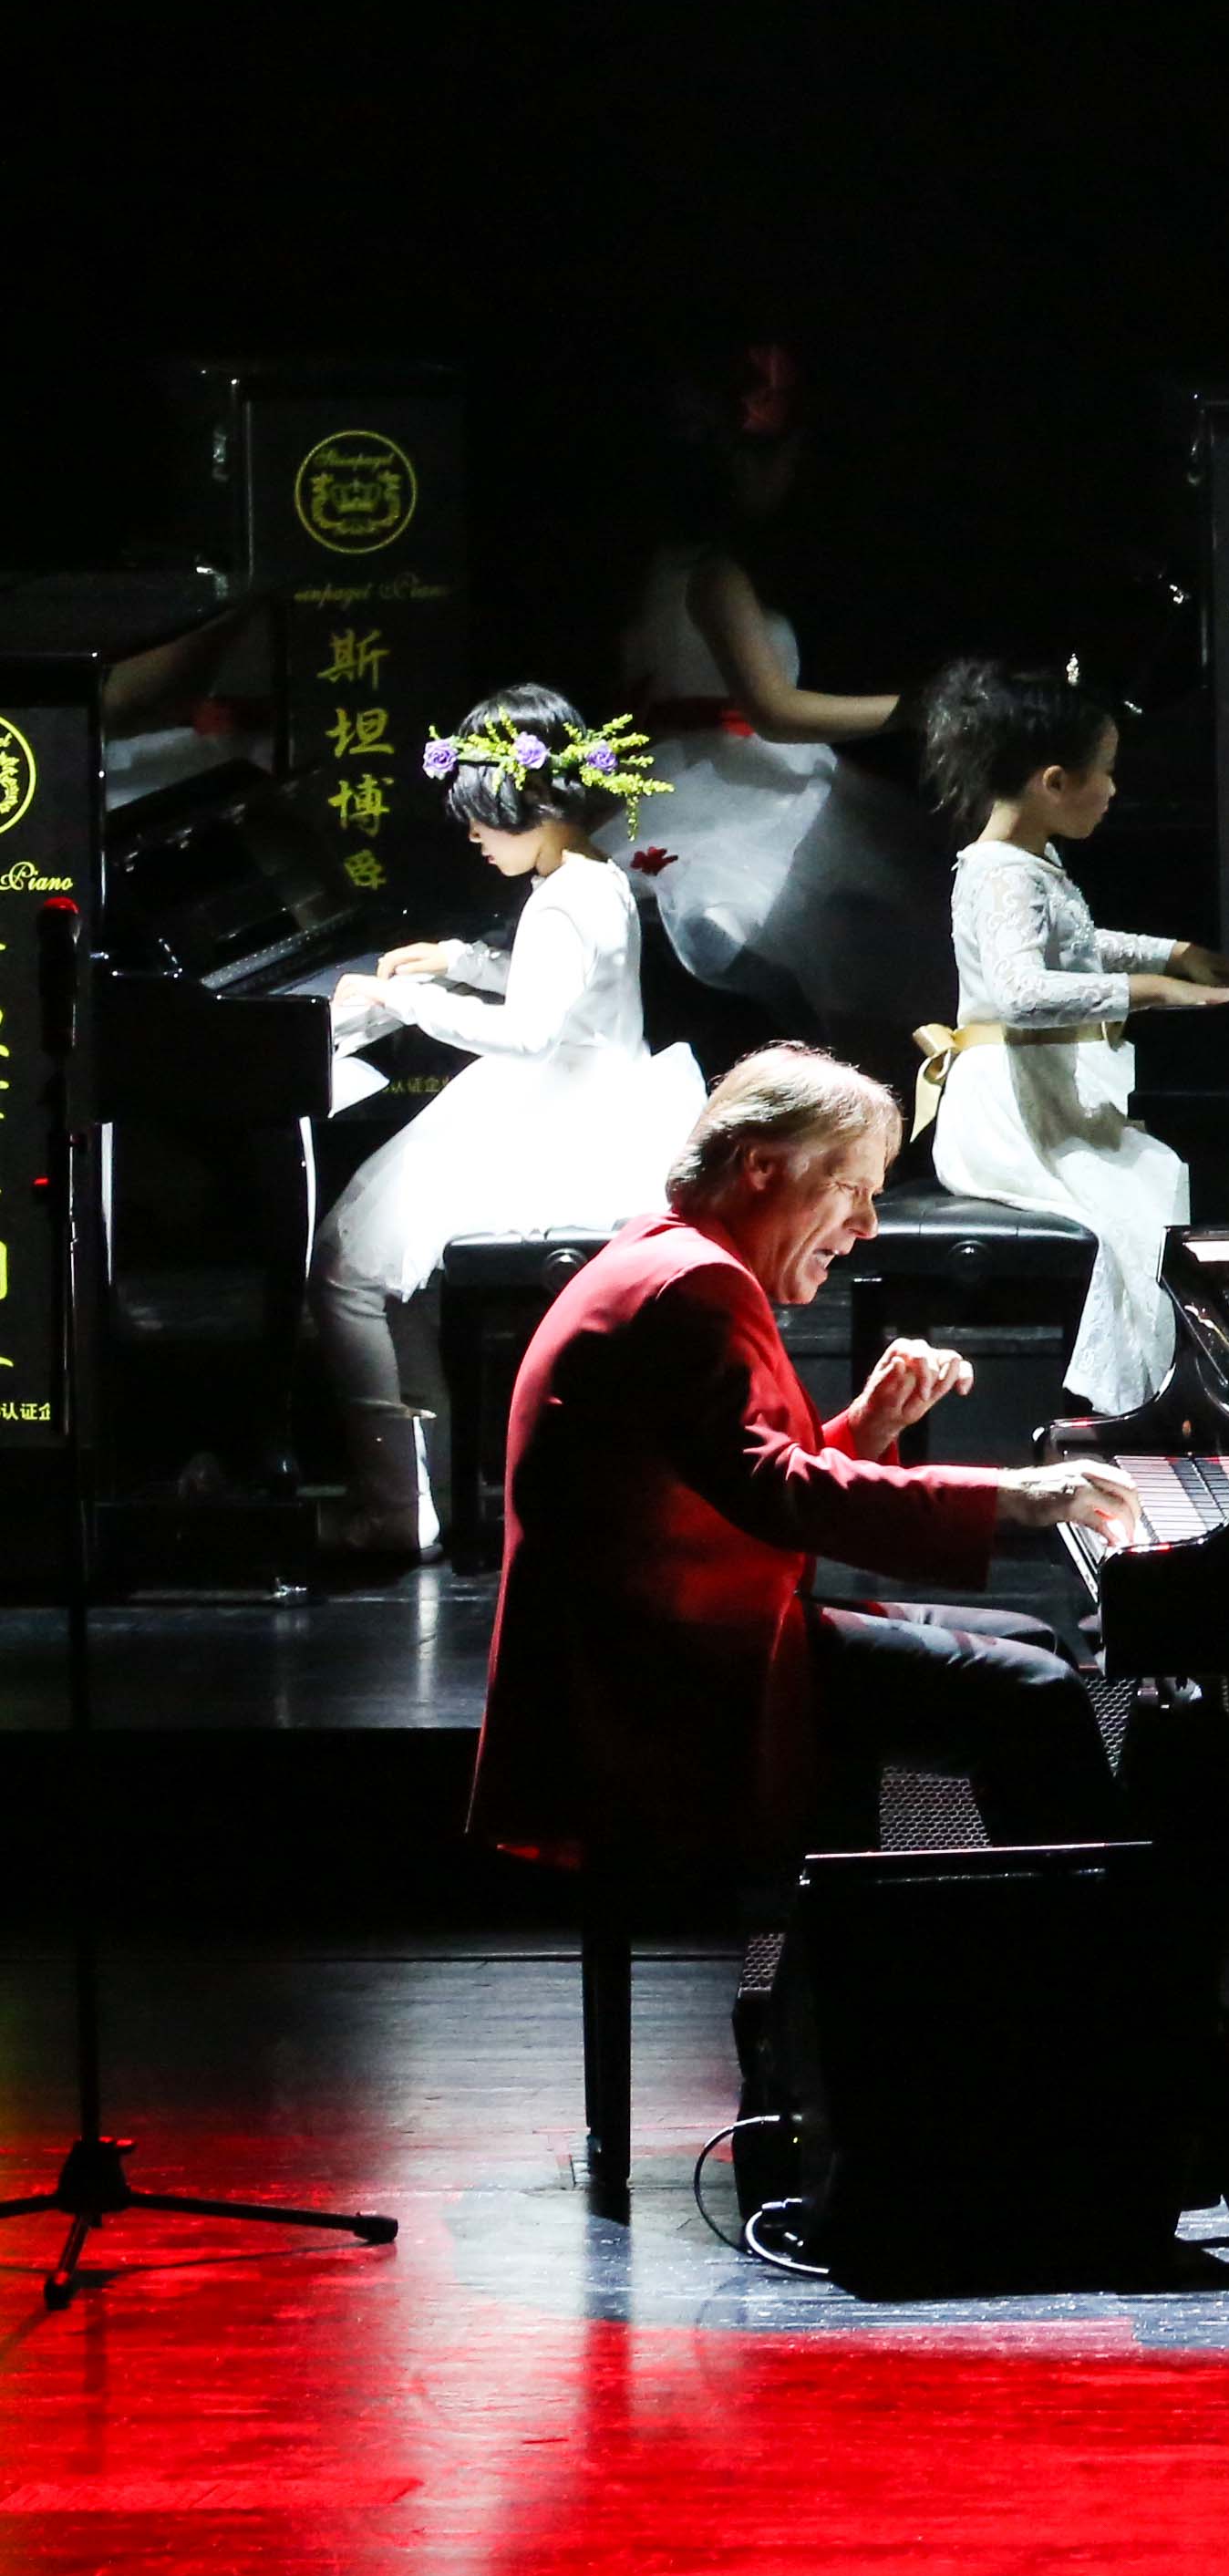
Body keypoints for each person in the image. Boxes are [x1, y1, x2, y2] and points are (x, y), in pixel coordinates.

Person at [466, 1047, 1145, 1882]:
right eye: (851, 1188)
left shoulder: (669, 1254)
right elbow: (774, 1490)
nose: (868, 1226)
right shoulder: (691, 1283)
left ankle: (964, 1932)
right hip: (660, 1677)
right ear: (761, 1166)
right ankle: (1095, 1948)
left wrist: (868, 1424)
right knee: (1033, 1691)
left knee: (1033, 1643)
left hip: (665, 1636)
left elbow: (730, 1478)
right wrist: (1017, 1497)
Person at [307, 688, 711, 1567]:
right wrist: (459, 961)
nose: (471, 835)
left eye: (480, 816)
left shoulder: (564, 899)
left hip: (556, 1121)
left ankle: (397, 1506)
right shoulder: (594, 875)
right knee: (386, 1276)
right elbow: (565, 985)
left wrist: (402, 1000)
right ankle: (418, 1496)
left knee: (345, 1268)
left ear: (531, 802)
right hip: (594, 1098)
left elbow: (530, 1033)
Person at [911, 659, 1229, 1423]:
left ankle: (1166, 1392)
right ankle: (1126, 1408)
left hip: (1039, 1092)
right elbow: (1021, 993)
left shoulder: (1029, 859)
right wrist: (1153, 990)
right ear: (1054, 782)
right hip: (1009, 1114)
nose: (1114, 789)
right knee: (1132, 1204)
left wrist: (1174, 953)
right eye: (1106, 772)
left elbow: (1076, 942)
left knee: (1153, 1175)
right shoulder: (1002, 872)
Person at [605, 347, 948, 1073]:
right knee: (879, 934)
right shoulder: (713, 573)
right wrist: (921, 707)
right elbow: (776, 711)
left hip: (680, 782)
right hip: (733, 789)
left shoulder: (650, 568)